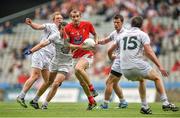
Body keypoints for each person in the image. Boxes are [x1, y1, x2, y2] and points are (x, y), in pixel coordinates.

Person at [114, 16, 179, 114]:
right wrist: (160, 66)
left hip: (124, 69)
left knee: (141, 80)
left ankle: (144, 106)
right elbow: (149, 52)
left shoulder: (122, 35)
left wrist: (110, 55)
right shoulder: (142, 34)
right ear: (142, 25)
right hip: (135, 64)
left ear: (131, 24)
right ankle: (165, 103)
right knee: (157, 77)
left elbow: (113, 49)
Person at [24, 22, 86, 109]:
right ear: (59, 29)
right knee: (48, 82)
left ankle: (45, 104)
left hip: (65, 64)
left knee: (56, 83)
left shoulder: (72, 38)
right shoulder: (55, 36)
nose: (65, 31)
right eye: (62, 29)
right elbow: (42, 44)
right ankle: (35, 100)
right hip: (54, 63)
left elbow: (82, 44)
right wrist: (31, 50)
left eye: (66, 29)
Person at [16, 12, 63, 108]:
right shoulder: (51, 26)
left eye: (61, 18)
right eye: (57, 18)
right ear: (53, 20)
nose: (60, 19)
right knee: (35, 76)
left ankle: (35, 100)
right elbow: (38, 27)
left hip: (48, 58)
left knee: (48, 81)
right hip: (40, 53)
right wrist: (31, 24)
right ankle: (21, 96)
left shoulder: (62, 33)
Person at [64, 9, 98, 110]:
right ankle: (91, 101)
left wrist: (95, 43)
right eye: (73, 17)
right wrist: (79, 46)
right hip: (75, 57)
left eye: (77, 16)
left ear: (80, 16)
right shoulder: (67, 28)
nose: (75, 18)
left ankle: (92, 89)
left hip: (87, 54)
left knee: (79, 68)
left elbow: (95, 34)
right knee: (82, 83)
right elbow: (67, 44)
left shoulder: (87, 24)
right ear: (71, 18)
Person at [97, 14, 128, 109]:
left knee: (109, 82)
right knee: (114, 83)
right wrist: (96, 42)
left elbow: (111, 50)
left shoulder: (125, 34)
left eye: (118, 22)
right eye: (114, 22)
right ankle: (123, 102)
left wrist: (112, 56)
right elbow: (105, 41)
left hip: (121, 60)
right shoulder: (114, 33)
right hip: (118, 60)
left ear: (122, 23)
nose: (116, 24)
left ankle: (105, 104)